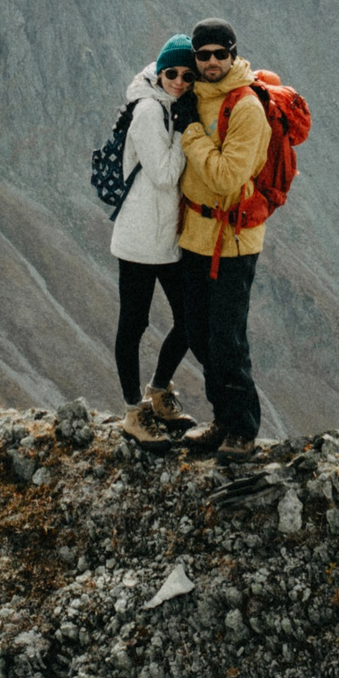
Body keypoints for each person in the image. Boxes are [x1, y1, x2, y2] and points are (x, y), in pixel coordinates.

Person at [172, 17, 270, 462]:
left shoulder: (246, 106)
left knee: (227, 337)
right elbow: (155, 75)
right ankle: (223, 418)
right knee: (197, 333)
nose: (211, 62)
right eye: (203, 55)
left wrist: (192, 132)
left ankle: (243, 429)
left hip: (231, 241)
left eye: (220, 54)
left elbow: (228, 177)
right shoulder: (195, 94)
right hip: (195, 235)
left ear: (232, 54)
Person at [110, 34, 198, 443]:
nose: (179, 81)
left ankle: (158, 392)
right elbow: (163, 176)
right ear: (158, 72)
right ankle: (133, 412)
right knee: (134, 323)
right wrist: (184, 132)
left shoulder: (168, 105)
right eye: (171, 73)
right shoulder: (149, 111)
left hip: (165, 239)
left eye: (187, 75)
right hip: (139, 240)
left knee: (190, 321)